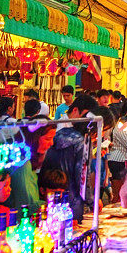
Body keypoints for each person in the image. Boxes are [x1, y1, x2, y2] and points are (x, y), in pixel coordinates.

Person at [40, 94, 98, 222]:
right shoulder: (78, 140)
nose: (88, 122)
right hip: (71, 200)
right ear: (76, 110)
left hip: (50, 196)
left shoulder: (57, 132)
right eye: (86, 117)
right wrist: (91, 201)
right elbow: (82, 176)